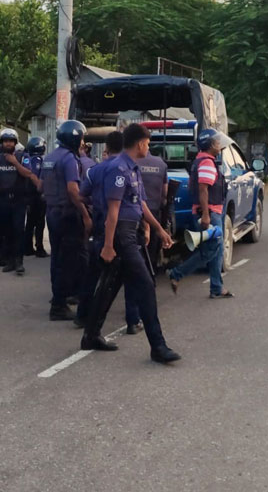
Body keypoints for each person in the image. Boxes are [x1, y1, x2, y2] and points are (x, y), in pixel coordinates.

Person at [83, 123, 181, 364]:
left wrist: (158, 229)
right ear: (140, 143)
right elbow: (113, 211)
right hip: (120, 235)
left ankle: (91, 335)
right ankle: (158, 346)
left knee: (110, 284)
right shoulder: (119, 169)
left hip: (130, 232)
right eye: (147, 143)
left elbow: (141, 205)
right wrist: (108, 244)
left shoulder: (133, 169)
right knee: (146, 285)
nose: (149, 147)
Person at [168, 128, 234, 299]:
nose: (220, 144)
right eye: (217, 141)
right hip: (209, 214)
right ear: (210, 144)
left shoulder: (202, 160)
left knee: (217, 251)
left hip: (210, 212)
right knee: (209, 251)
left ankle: (216, 287)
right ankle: (177, 273)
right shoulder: (206, 162)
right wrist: (205, 215)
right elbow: (203, 189)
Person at [42, 120, 93, 321]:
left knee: (57, 259)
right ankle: (59, 305)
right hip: (67, 214)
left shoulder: (50, 157)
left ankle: (58, 298)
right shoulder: (70, 159)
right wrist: (86, 214)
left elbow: (41, 185)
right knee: (69, 259)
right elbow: (73, 190)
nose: (82, 142)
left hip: (52, 212)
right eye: (81, 137)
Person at [76, 131, 124, 330]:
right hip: (118, 227)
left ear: (106, 148)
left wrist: (95, 203)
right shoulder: (124, 169)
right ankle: (130, 318)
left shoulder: (95, 170)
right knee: (120, 276)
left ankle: (82, 314)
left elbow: (81, 195)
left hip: (98, 223)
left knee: (92, 273)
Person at [0, 129, 41, 275]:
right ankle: (9, 261)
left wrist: (14, 163)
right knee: (6, 232)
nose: (8, 143)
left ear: (15, 142)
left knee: (18, 230)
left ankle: (19, 262)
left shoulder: (22, 156)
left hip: (19, 200)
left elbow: (28, 173)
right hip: (2, 200)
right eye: (6, 141)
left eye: (11, 141)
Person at [133, 146, 169, 331]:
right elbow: (164, 194)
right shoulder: (161, 165)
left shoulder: (133, 164)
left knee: (134, 263)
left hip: (133, 217)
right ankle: (148, 298)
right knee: (150, 260)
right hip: (152, 213)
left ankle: (133, 313)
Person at [22, 136, 49, 258]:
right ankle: (39, 247)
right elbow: (36, 177)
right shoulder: (38, 160)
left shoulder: (27, 159)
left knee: (30, 222)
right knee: (39, 222)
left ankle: (27, 247)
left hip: (28, 195)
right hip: (37, 195)